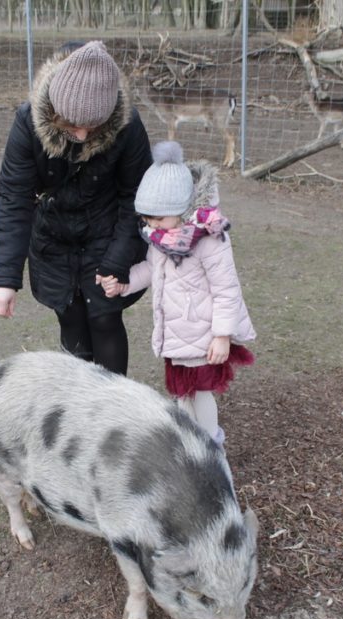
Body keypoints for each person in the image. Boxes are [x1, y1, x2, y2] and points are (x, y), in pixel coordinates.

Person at [0, 40, 152, 376]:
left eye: (94, 127)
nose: (82, 133)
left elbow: (138, 199)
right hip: (53, 238)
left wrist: (118, 260)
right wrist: (5, 279)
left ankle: (113, 412)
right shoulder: (27, 122)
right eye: (73, 125)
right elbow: (14, 198)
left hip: (107, 233)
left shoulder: (128, 125)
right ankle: (79, 413)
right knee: (70, 315)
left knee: (105, 316)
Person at [101, 141, 255, 445]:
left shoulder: (209, 239)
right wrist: (124, 284)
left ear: (182, 209)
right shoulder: (161, 237)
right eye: (147, 218)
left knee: (200, 392)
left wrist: (222, 335)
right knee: (181, 391)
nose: (151, 225)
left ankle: (211, 444)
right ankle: (188, 444)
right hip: (174, 332)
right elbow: (151, 268)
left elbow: (227, 290)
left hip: (202, 333)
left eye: (158, 218)